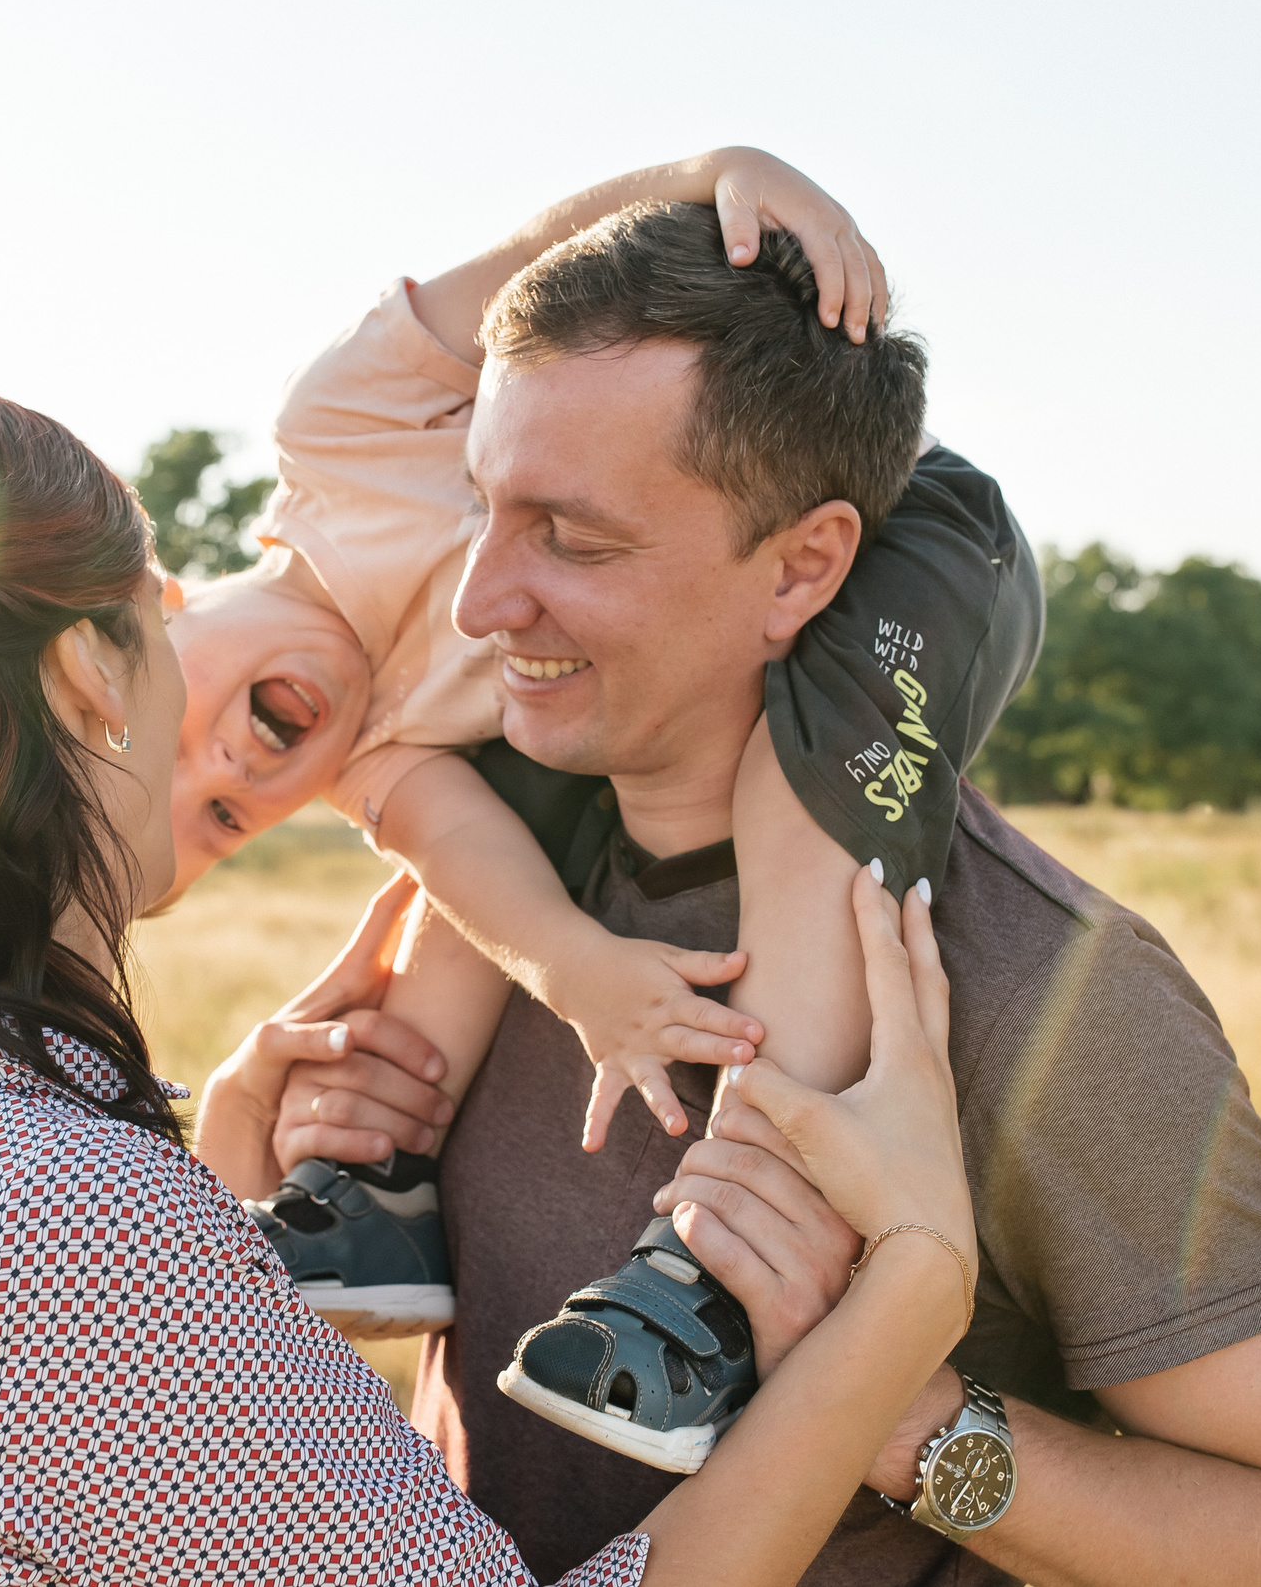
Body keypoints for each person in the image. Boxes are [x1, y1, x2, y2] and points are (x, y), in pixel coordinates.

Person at [0, 384, 985, 1584]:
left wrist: (213, 1204)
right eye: (154, 620)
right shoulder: (58, 1218)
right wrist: (910, 1293)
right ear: (88, 667)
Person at [230, 212, 1261, 1584]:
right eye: (484, 508)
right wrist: (250, 1172)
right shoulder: (490, 903)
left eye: (572, 539)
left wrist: (884, 1406)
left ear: (803, 565)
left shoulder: (1037, 990)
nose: (480, 603)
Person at [172, 154, 1038, 1441]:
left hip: (913, 525)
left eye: (172, 733)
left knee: (800, 794)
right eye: (220, 824)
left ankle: (724, 1261)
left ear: (159, 602)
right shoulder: (383, 750)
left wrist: (706, 173)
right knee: (458, 858)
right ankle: (374, 1190)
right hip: (620, 650)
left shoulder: (338, 432)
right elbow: (477, 869)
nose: (224, 773)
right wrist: (581, 968)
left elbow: (531, 279)